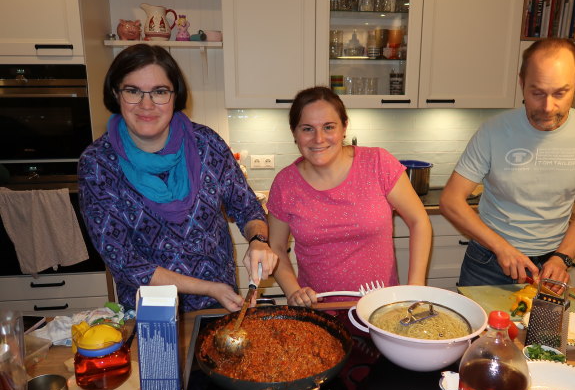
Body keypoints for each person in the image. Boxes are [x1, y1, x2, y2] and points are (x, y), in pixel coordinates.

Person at [78, 44, 277, 312]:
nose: (146, 104)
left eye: (159, 92)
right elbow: (123, 260)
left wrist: (258, 241)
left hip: (219, 306)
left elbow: (246, 206)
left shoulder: (207, 143)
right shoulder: (98, 163)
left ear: (174, 95)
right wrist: (207, 287)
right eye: (133, 91)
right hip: (151, 313)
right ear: (116, 93)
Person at [440, 38, 575, 286]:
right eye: (537, 93)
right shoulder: (493, 131)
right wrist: (501, 248)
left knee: (543, 327)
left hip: (552, 264)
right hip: (488, 262)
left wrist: (562, 258)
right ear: (521, 82)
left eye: (560, 93)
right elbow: (451, 200)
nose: (547, 106)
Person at [267, 86, 432, 307]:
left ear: (344, 127)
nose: (318, 138)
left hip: (380, 308)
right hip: (319, 310)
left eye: (328, 127)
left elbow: (419, 221)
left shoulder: (378, 163)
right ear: (294, 133)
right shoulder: (285, 183)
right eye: (307, 129)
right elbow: (276, 246)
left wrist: (416, 286)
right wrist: (293, 291)